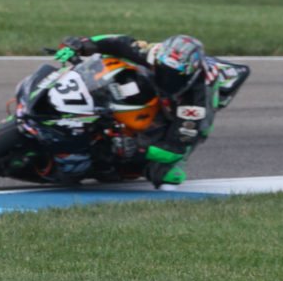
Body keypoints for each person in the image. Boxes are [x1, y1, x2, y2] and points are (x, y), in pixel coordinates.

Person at [54, 34, 250, 187]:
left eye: (174, 77)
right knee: (109, 66)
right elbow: (118, 42)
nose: (167, 80)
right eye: (164, 72)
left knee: (163, 172)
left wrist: (139, 148)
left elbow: (176, 148)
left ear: (189, 77)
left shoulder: (195, 102)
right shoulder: (155, 54)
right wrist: (81, 43)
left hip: (179, 118)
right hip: (154, 88)